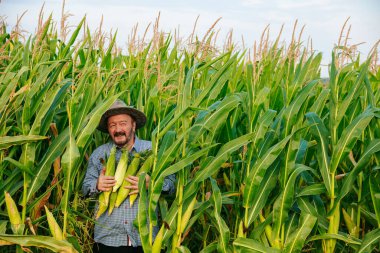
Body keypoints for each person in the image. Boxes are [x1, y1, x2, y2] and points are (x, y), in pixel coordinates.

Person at [82, 99, 175, 253]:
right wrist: (97, 184)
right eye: (112, 125)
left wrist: (152, 184)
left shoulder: (154, 151)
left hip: (145, 239)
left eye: (123, 123)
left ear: (133, 125)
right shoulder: (99, 154)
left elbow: (172, 185)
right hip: (108, 239)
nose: (118, 129)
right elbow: (85, 188)